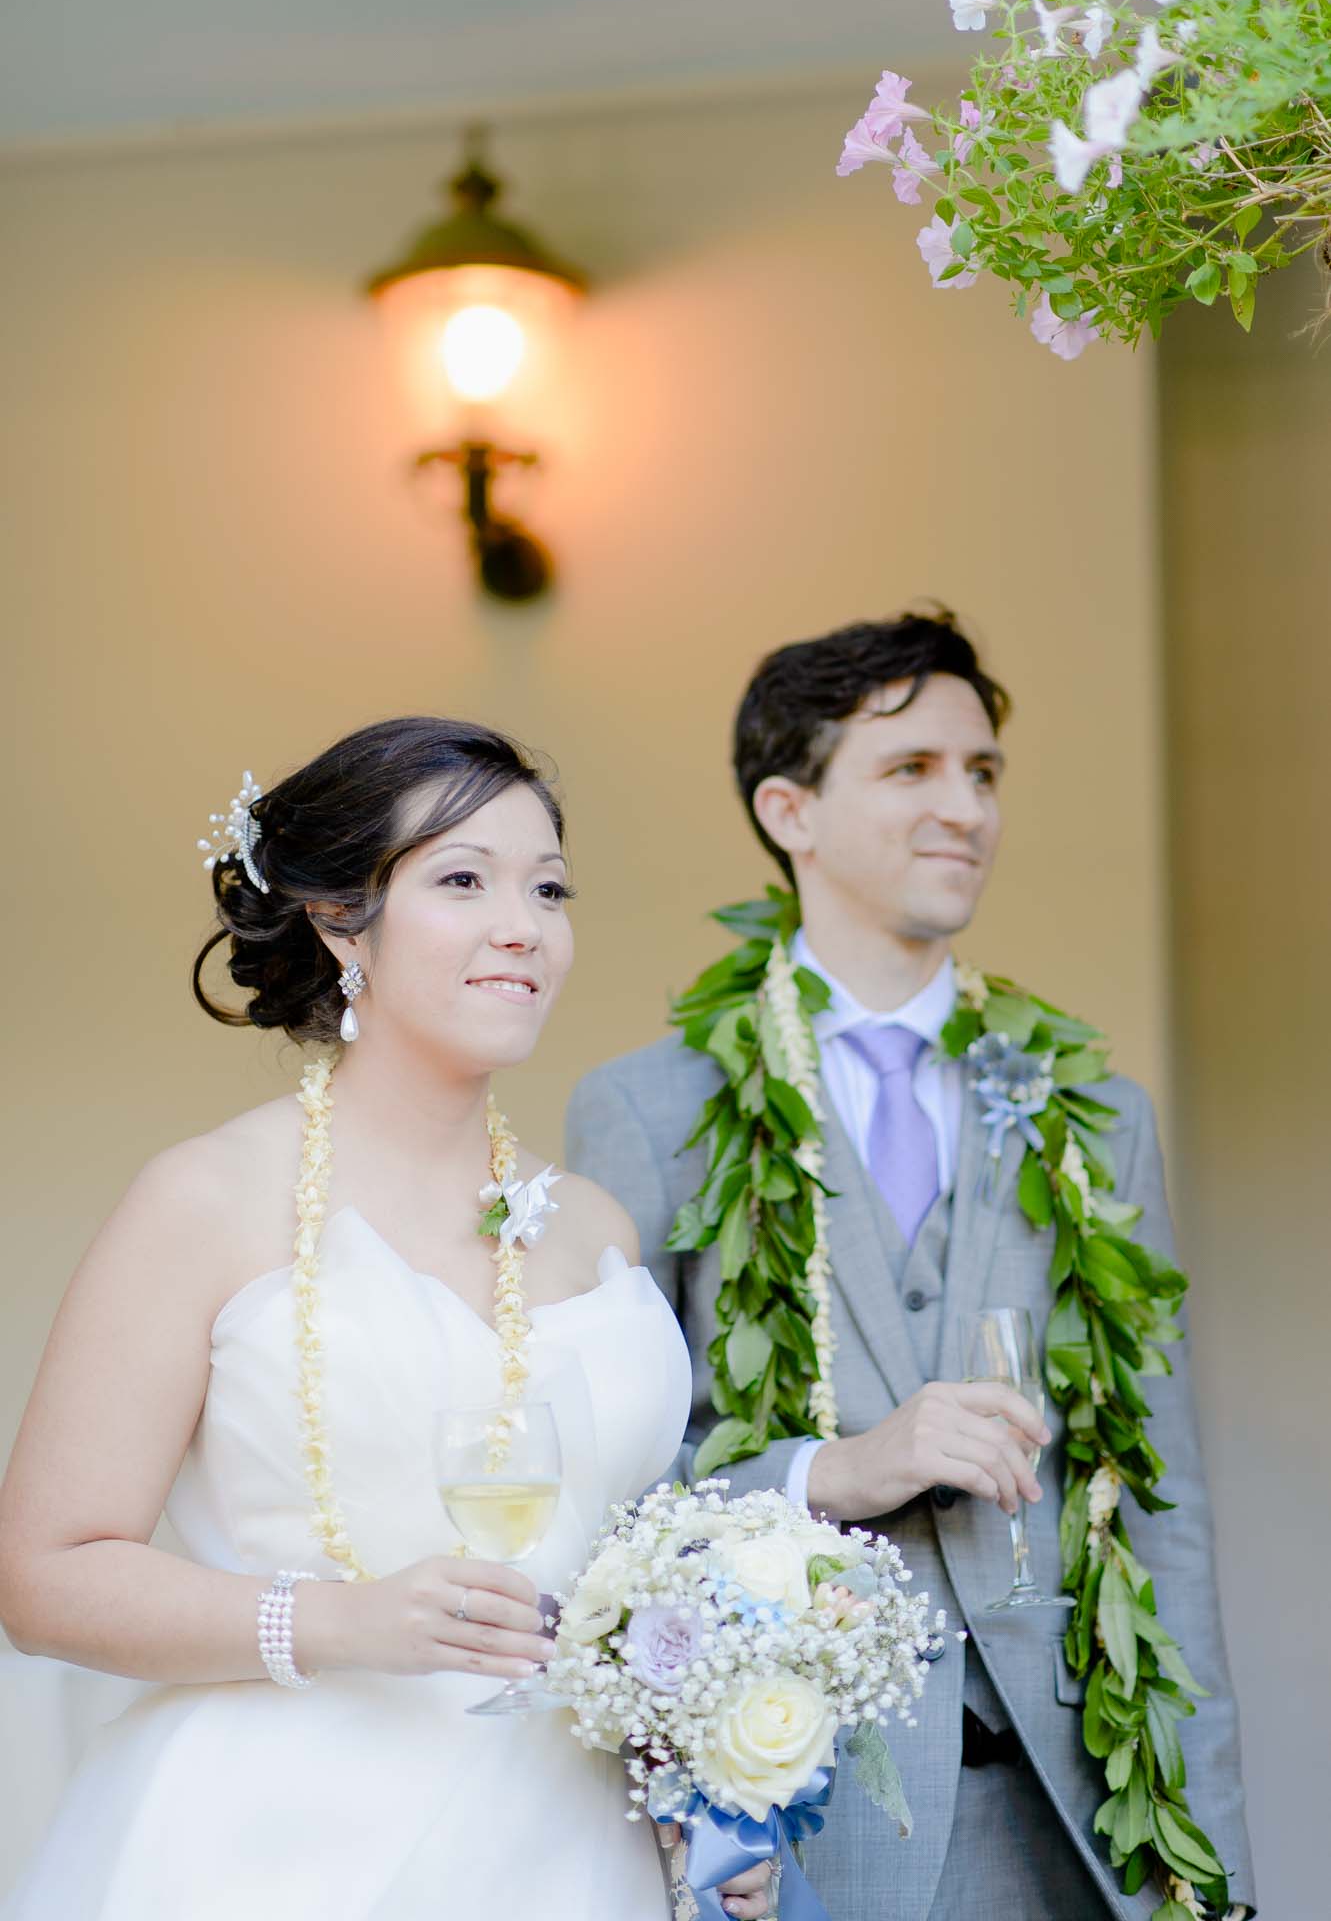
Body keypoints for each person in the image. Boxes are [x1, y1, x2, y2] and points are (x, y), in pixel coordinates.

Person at [0, 717, 770, 1921]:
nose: (522, 923)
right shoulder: (205, 1200)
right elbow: (44, 1574)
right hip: (273, 1852)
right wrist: (338, 1618)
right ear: (336, 918)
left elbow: (625, 1572)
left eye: (548, 887)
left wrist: (709, 1779)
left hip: (579, 1857)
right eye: (462, 878)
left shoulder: (594, 1228)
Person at [567, 613, 1257, 1921]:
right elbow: (607, 1486)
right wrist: (831, 1473)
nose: (964, 808)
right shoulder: (647, 1111)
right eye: (910, 771)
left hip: (1076, 1820)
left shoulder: (1090, 1117)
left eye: (981, 773)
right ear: (789, 810)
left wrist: (1202, 1870)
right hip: (803, 1808)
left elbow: (1165, 1516)